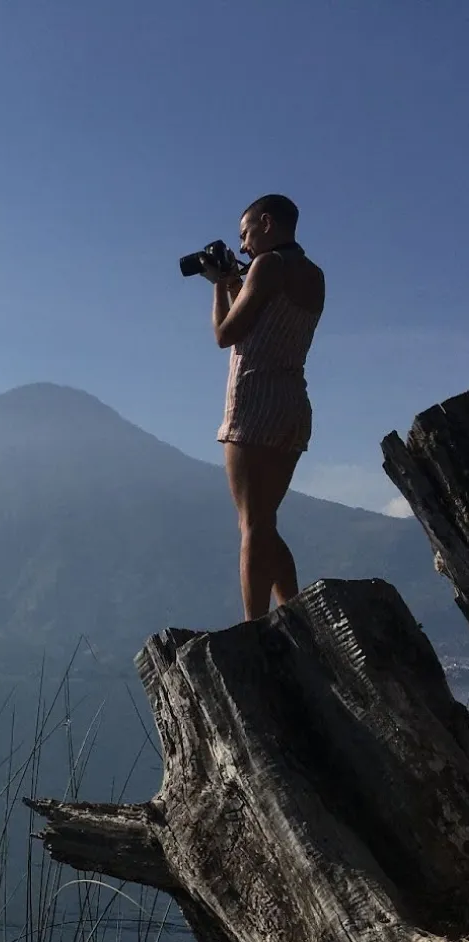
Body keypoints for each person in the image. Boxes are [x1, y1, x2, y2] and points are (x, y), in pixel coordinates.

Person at [200, 194, 325, 621]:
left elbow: (225, 333)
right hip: (292, 404)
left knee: (251, 523)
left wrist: (219, 283)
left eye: (246, 234)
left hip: (254, 402)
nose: (244, 247)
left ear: (267, 223)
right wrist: (239, 281)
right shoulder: (313, 275)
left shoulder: (268, 267)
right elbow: (268, 319)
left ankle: (254, 628)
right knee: (265, 521)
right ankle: (294, 615)